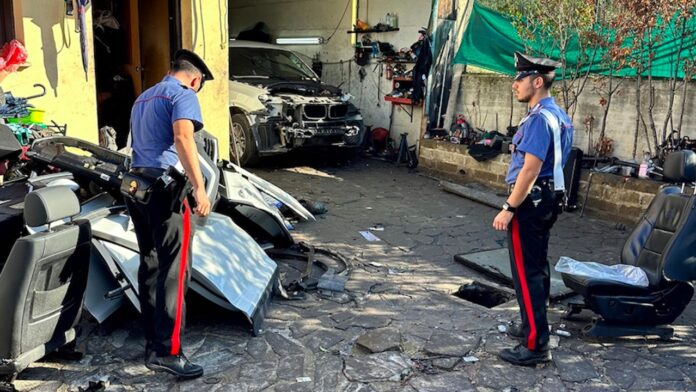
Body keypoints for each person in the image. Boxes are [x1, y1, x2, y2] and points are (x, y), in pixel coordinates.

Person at [126, 49, 213, 379]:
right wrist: (199, 187)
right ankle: (169, 352)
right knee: (175, 271)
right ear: (195, 78)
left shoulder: (144, 97)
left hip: (137, 186)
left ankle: (153, 342)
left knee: (149, 263)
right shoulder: (183, 94)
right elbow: (182, 138)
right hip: (165, 190)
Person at [492, 52, 573, 366]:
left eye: (520, 78)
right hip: (545, 199)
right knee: (536, 269)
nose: (515, 84)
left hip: (530, 200)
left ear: (537, 81)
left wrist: (508, 207)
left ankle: (536, 345)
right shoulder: (556, 114)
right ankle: (532, 327)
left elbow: (530, 169)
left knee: (527, 275)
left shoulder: (539, 119)